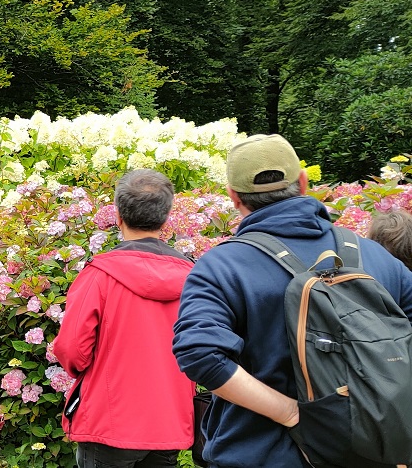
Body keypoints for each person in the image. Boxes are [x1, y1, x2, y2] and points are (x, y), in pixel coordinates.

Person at [172, 134, 412, 467]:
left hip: (259, 455)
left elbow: (199, 354)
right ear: (302, 182)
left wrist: (291, 412)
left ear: (233, 197)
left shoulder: (222, 266)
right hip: (369, 451)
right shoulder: (375, 257)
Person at [52, 169, 195, 468]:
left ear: (118, 216)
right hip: (169, 420)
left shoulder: (99, 275)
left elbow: (71, 350)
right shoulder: (194, 278)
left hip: (109, 422)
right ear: (166, 218)